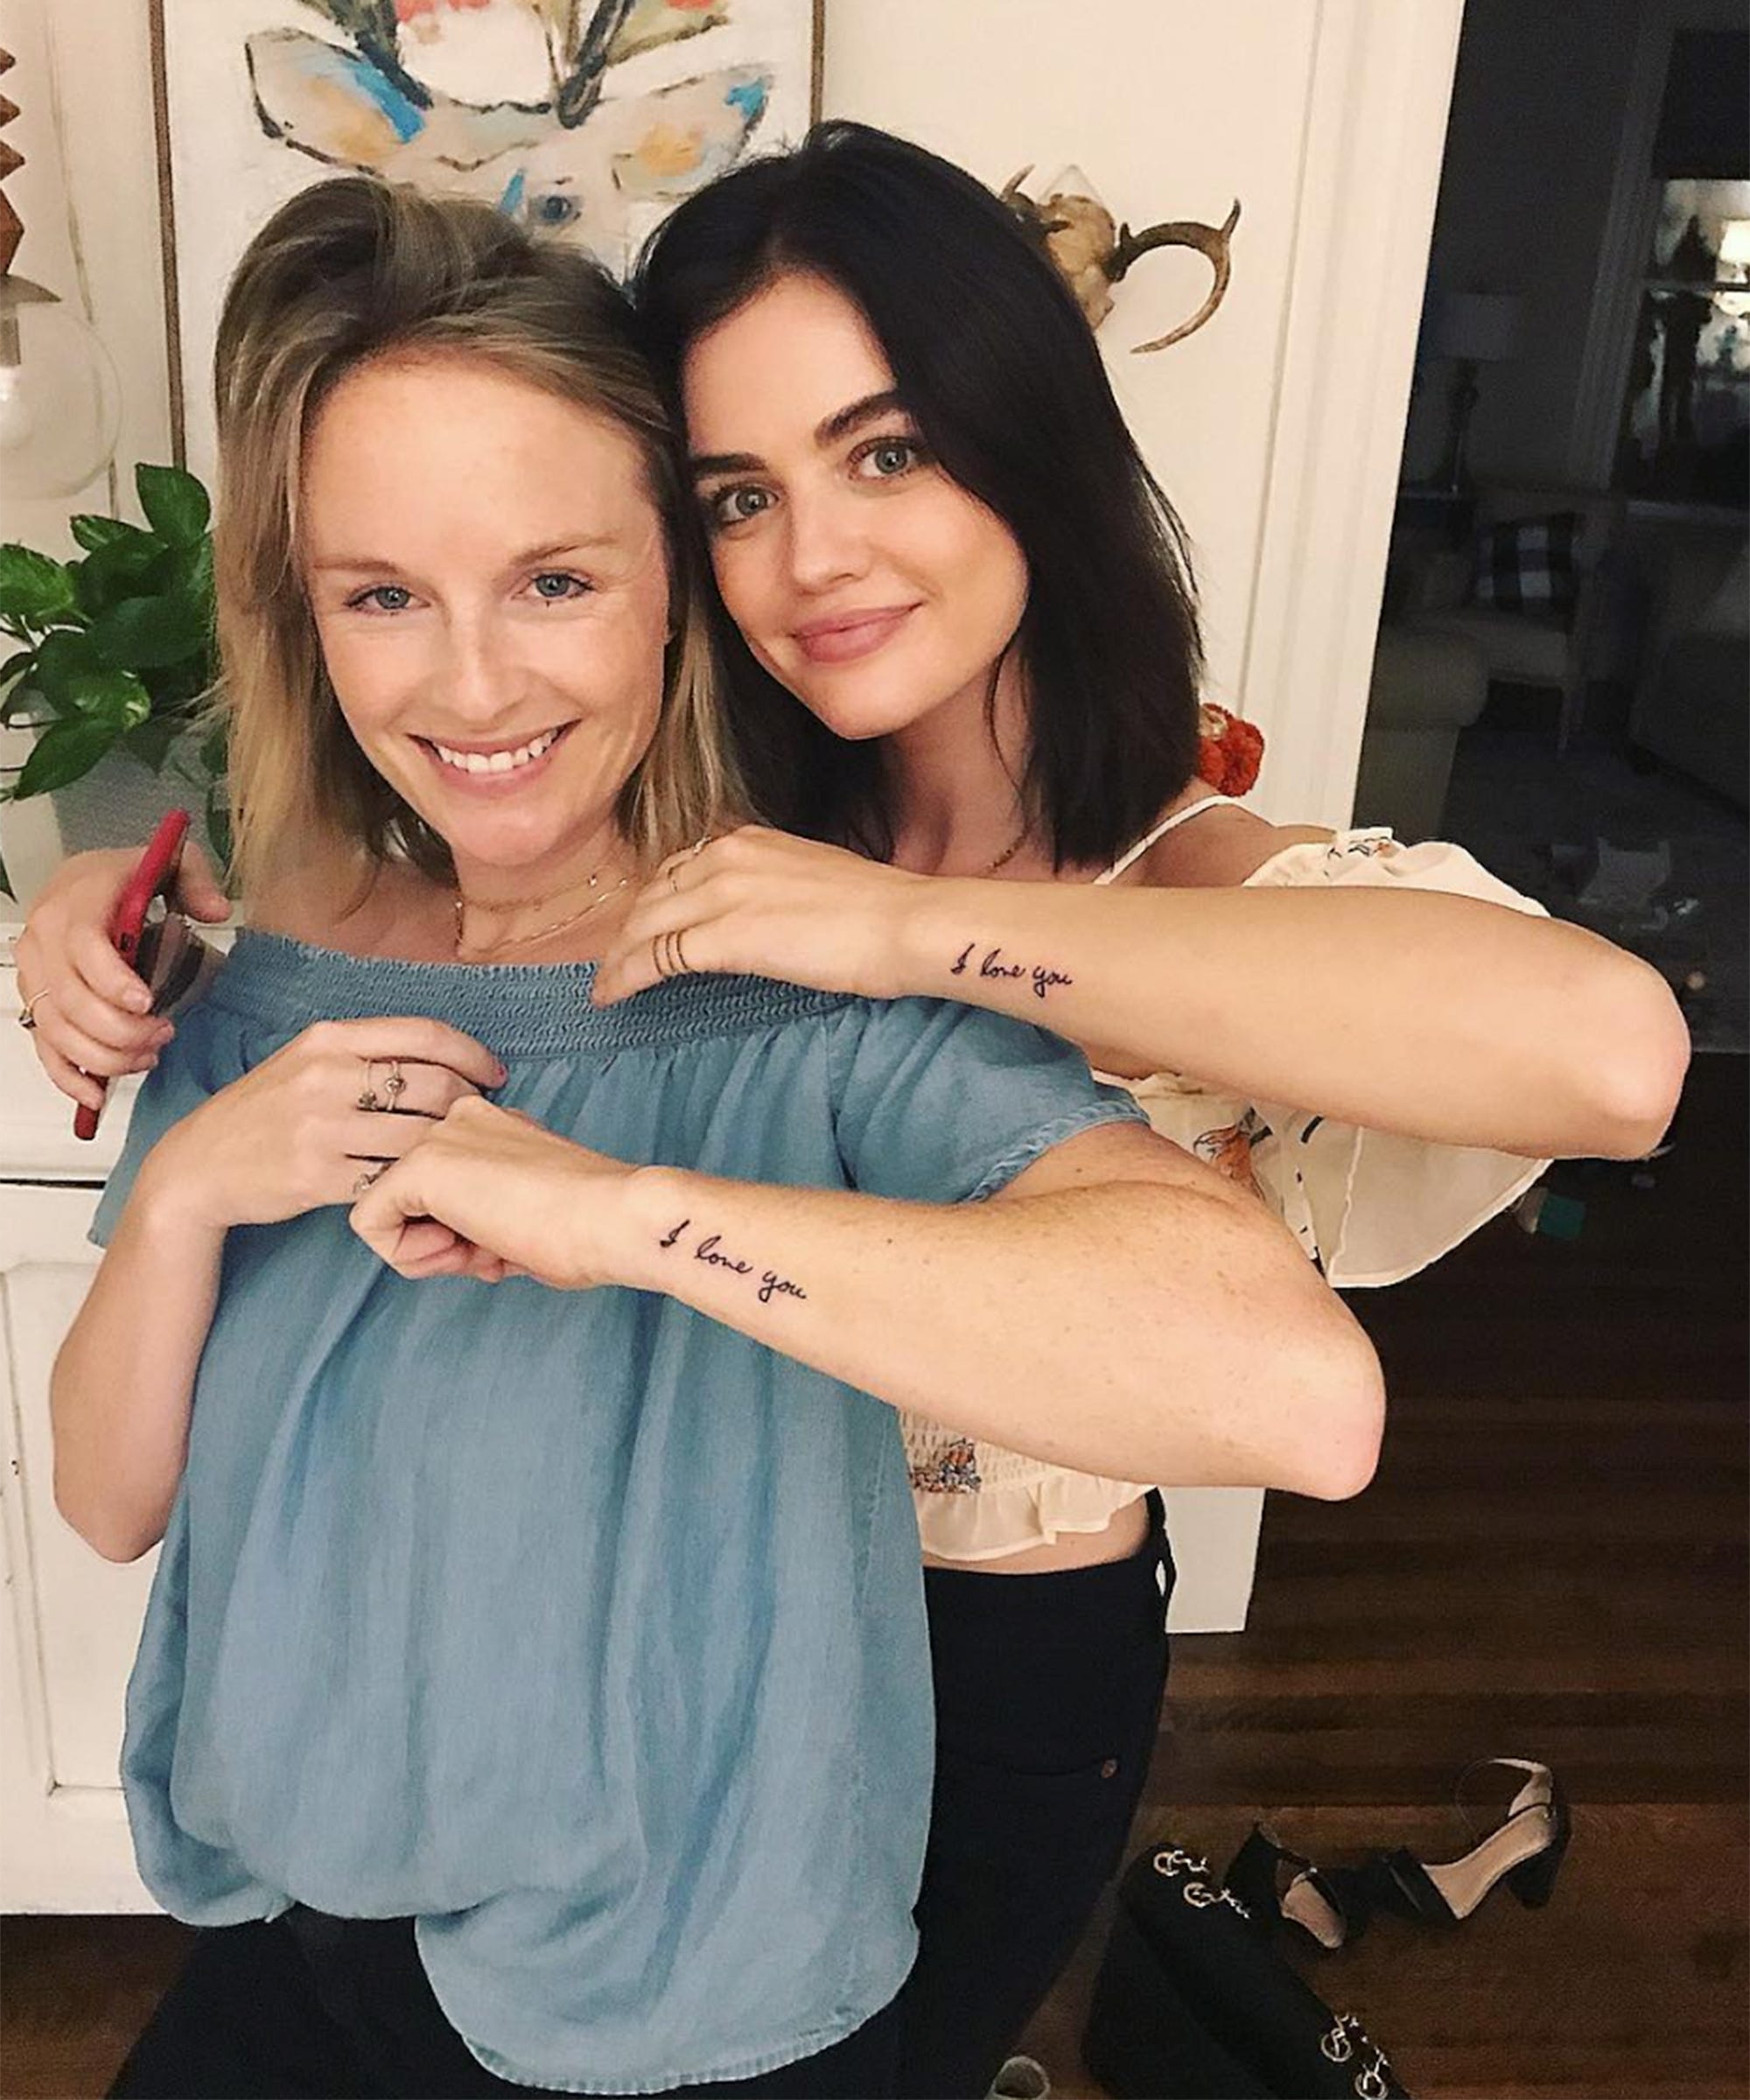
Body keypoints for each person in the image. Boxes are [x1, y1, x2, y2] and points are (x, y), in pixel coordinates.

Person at [19, 128, 1688, 2098]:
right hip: (650, 1630)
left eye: (888, 452)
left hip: (974, 1659)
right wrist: (118, 911)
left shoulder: (1127, 885)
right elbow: (439, 822)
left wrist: (910, 933)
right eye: (741, 493)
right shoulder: (718, 828)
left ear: (1029, 449)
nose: (814, 556)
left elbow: (1606, 1064)